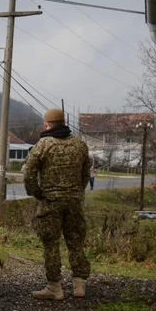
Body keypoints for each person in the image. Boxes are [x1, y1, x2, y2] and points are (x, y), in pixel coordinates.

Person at [23, 108, 92, 300]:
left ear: (46, 124)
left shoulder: (43, 145)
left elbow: (29, 174)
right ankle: (79, 285)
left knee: (51, 244)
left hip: (50, 202)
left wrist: (38, 193)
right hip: (74, 202)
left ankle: (55, 287)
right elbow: (86, 174)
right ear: (63, 123)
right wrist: (77, 191)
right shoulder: (80, 145)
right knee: (76, 242)